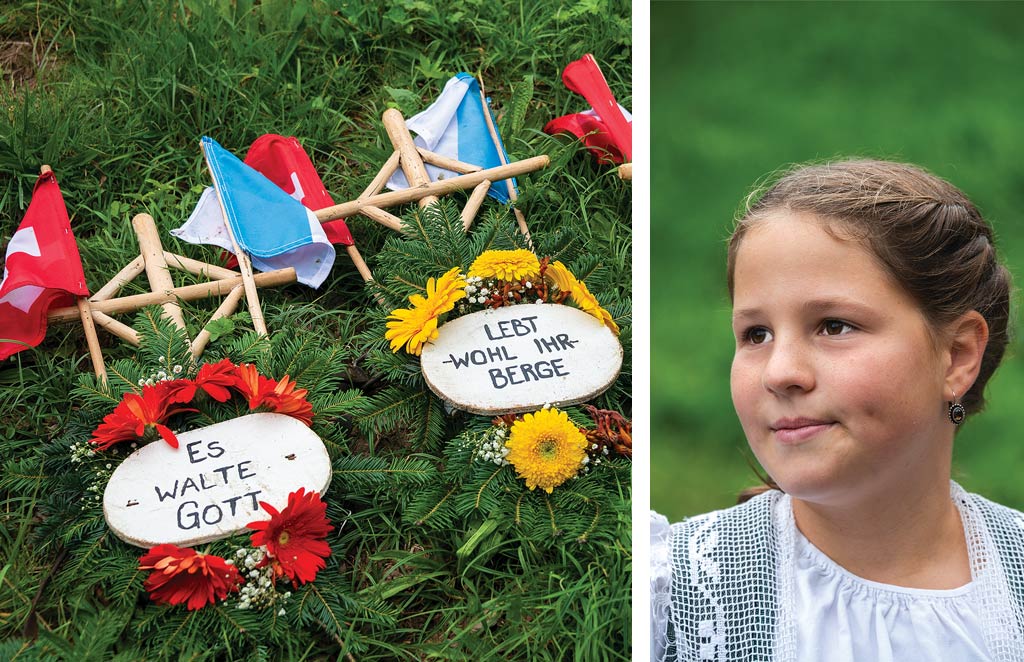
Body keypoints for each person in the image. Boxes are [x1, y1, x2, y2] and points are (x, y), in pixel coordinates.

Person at [650, 159, 1024, 662]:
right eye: (756, 334)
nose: (779, 372)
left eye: (834, 326)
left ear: (956, 356)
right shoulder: (667, 596)